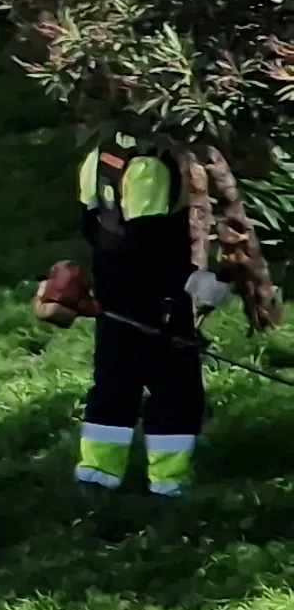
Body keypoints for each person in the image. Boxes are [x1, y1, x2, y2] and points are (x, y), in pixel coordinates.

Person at [75, 129, 218, 495]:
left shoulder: (101, 155)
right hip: (159, 303)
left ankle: (97, 476)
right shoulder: (150, 166)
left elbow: (90, 223)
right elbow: (150, 243)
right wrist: (198, 283)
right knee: (176, 390)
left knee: (113, 385)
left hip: (112, 296)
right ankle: (169, 483)